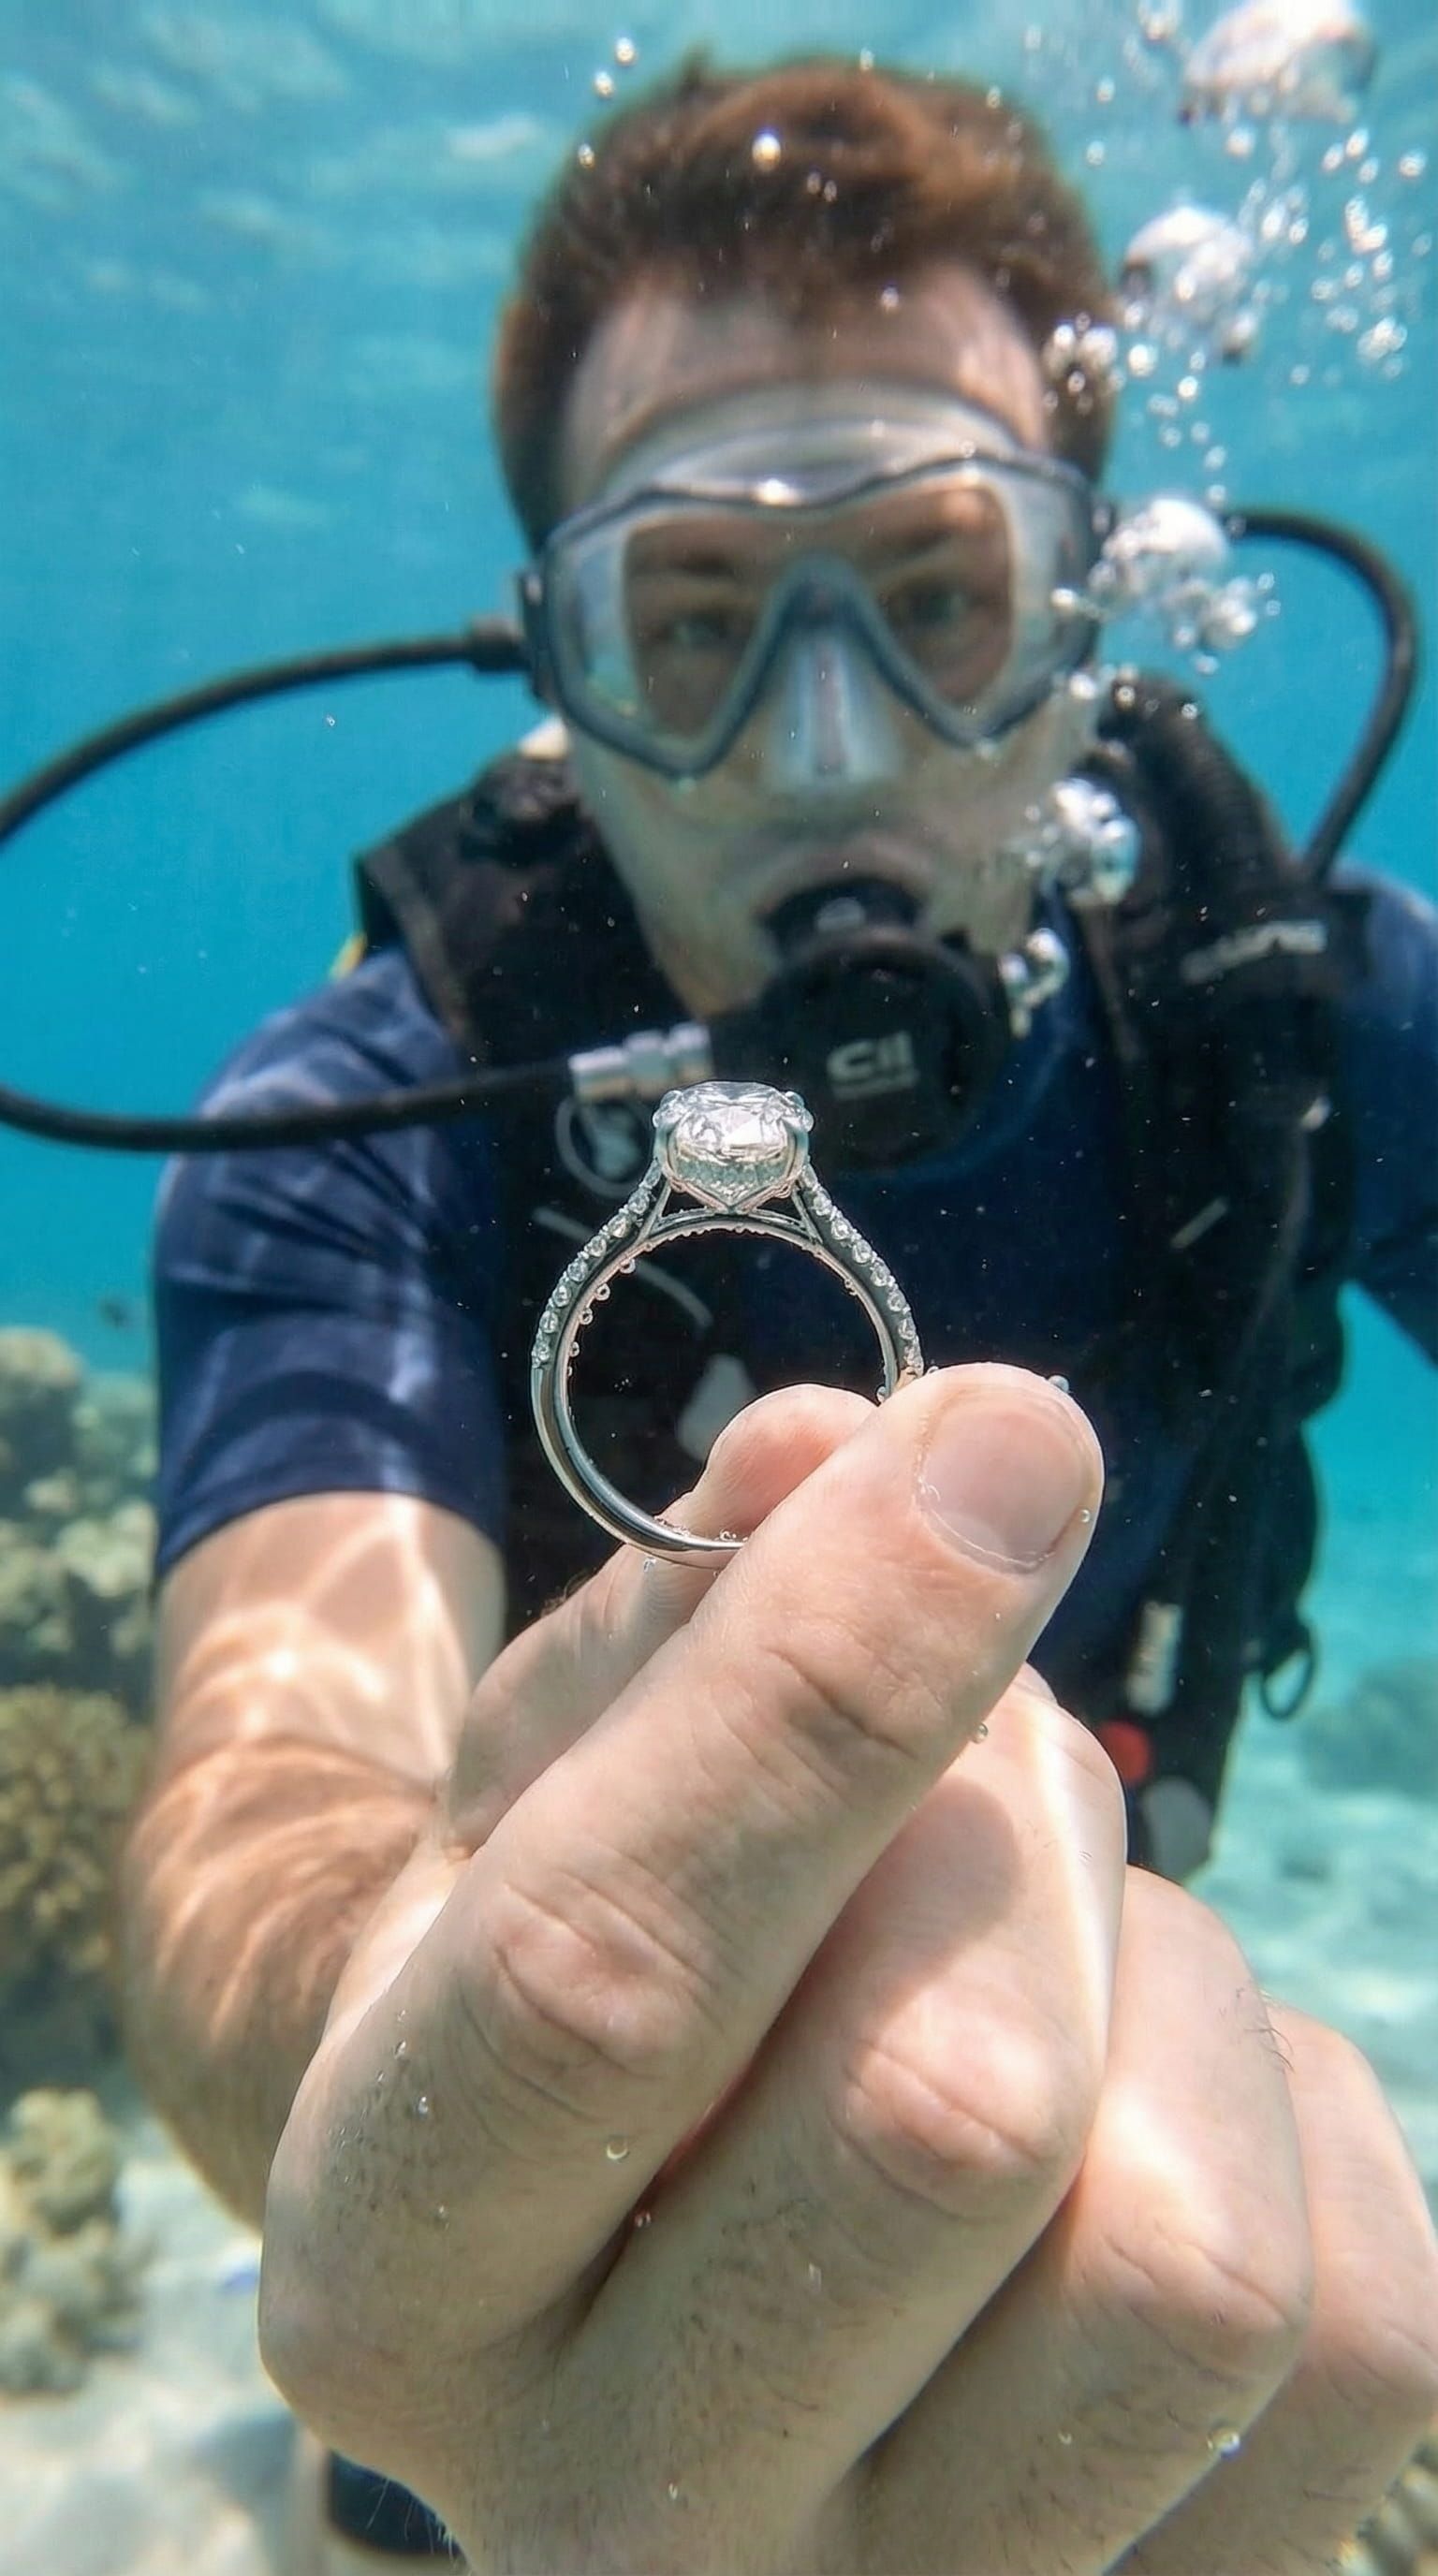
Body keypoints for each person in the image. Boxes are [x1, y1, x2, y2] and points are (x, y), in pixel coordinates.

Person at [117, 53, 1438, 2576]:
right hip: (490, 2379)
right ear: (562, 672)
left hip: (1082, 2252)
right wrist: (431, 2051)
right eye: (699, 626)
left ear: (1086, 620)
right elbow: (255, 1799)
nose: (828, 752)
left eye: (936, 597)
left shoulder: (1303, 1021)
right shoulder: (365, 1124)